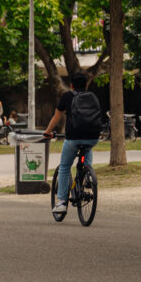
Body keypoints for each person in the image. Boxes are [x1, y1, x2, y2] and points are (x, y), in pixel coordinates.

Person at [43, 73, 103, 216]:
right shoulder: (92, 97)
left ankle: (62, 202)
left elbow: (57, 116)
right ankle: (87, 176)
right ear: (86, 85)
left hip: (73, 138)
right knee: (87, 149)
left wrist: (47, 132)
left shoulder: (67, 96)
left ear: (71, 85)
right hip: (92, 138)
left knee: (64, 167)